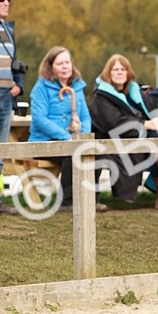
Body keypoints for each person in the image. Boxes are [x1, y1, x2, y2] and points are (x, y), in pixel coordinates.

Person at [90, 54, 158, 209]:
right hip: (112, 141)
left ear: (128, 73)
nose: (120, 72)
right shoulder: (101, 96)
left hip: (140, 139)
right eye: (115, 69)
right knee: (156, 140)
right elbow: (114, 123)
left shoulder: (135, 92)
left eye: (123, 69)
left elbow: (152, 110)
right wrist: (145, 124)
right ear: (108, 73)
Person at [28, 46, 105, 212]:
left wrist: (82, 138)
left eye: (67, 62)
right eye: (60, 63)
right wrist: (66, 137)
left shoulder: (77, 86)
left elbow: (85, 116)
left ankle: (91, 199)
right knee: (73, 155)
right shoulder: (41, 88)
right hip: (44, 141)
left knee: (95, 152)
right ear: (51, 67)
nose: (65, 66)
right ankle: (67, 202)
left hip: (73, 139)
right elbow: (40, 119)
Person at [0, 0, 25, 215]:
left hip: (6, 99)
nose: (6, 3)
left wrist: (18, 88)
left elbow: (15, 63)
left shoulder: (9, 30)